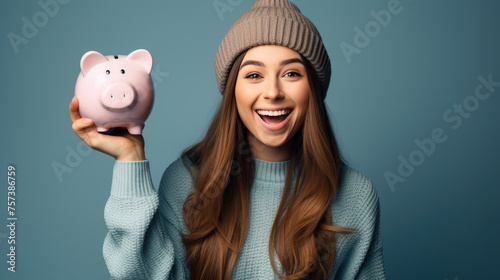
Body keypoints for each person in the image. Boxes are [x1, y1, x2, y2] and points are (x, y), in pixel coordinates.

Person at [69, 0, 386, 279]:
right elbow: (137, 276)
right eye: (253, 75)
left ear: (312, 90)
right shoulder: (188, 182)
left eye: (291, 73)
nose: (273, 92)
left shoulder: (356, 196)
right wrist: (130, 159)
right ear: (233, 90)